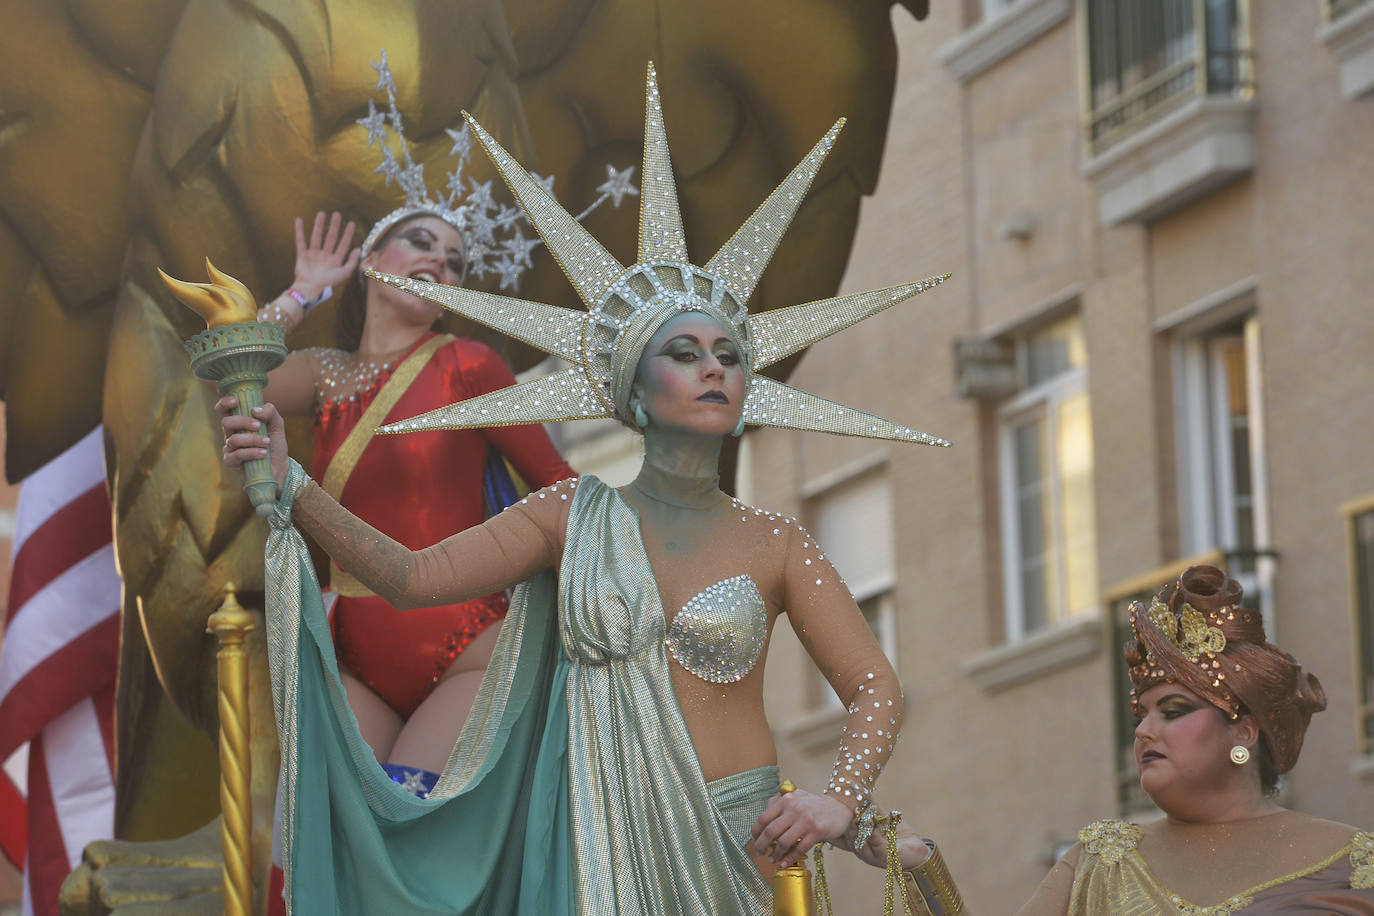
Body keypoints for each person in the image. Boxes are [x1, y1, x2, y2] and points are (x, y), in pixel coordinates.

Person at [220, 63, 949, 915]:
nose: (716, 368)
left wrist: (841, 799)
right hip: (592, 843)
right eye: (685, 354)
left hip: (734, 842)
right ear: (633, 393)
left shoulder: (776, 540)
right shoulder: (570, 516)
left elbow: (874, 686)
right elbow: (409, 577)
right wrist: (295, 482)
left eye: (732, 357)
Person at [244, 207, 573, 787]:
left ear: (450, 299)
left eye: (454, 263)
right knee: (349, 847)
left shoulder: (468, 365)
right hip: (350, 650)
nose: (439, 263)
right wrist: (306, 291)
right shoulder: (324, 374)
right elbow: (236, 379)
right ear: (370, 262)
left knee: (412, 826)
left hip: (466, 643)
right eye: (419, 242)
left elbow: (559, 488)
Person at [846, 565, 1374, 915]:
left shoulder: (1352, 862)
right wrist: (920, 866)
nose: (1144, 730)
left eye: (1172, 711)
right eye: (1140, 715)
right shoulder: (1099, 860)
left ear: (1244, 728)